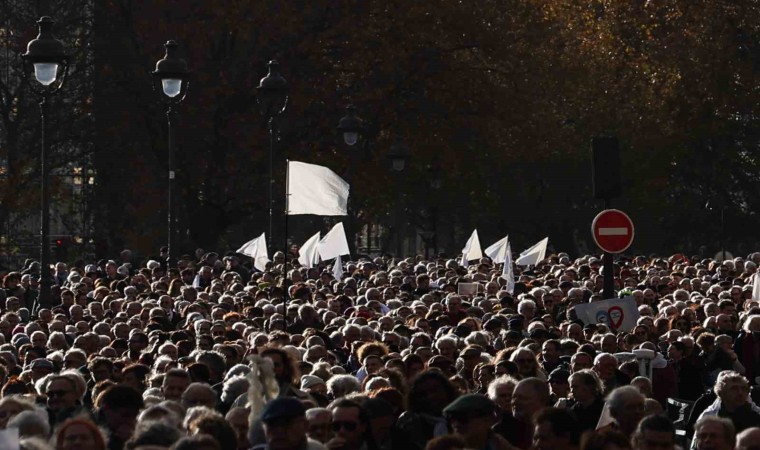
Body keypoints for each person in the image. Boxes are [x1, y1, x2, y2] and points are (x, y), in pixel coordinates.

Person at [442, 394, 514, 450]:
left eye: (462, 418)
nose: (456, 424)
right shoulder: (442, 447)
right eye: (452, 419)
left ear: (487, 420)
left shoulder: (500, 445)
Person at [696, 371, 760, 432]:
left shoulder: (755, 415)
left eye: (743, 389)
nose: (740, 393)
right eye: (734, 389)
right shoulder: (709, 418)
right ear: (722, 393)